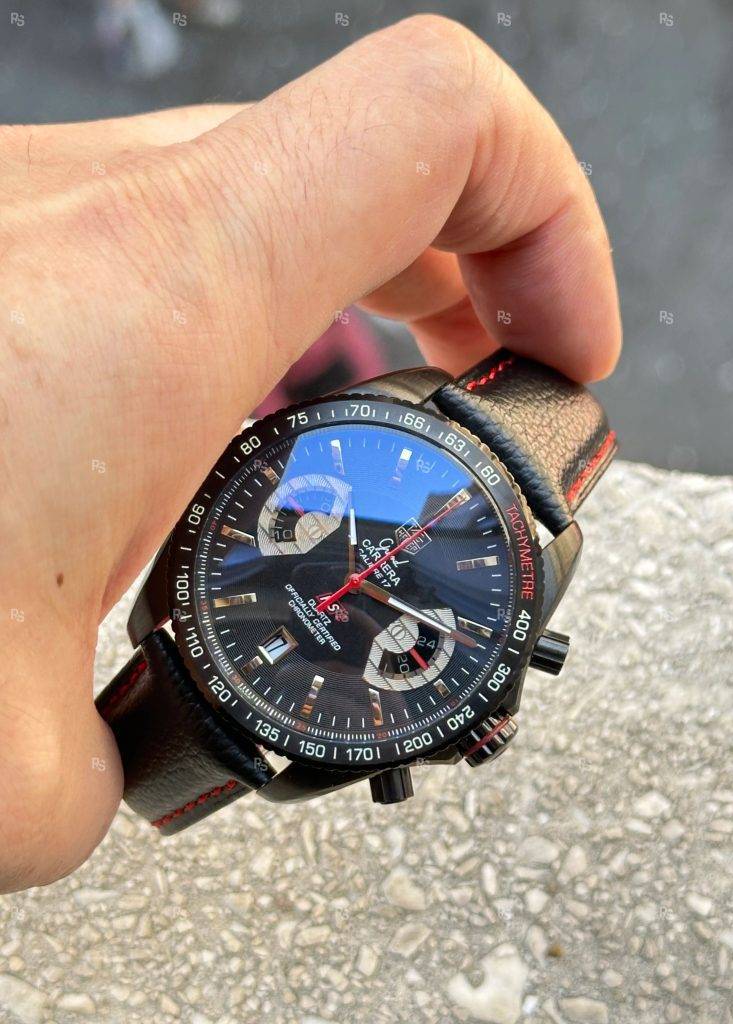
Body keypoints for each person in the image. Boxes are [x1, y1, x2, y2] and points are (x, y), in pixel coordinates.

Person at [0, 15, 621, 894]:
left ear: (476, 714)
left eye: (415, 652)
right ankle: (324, 405)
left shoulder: (272, 733)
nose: (352, 586)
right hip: (268, 610)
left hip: (267, 638)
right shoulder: (175, 627)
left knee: (323, 492)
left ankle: (315, 408)